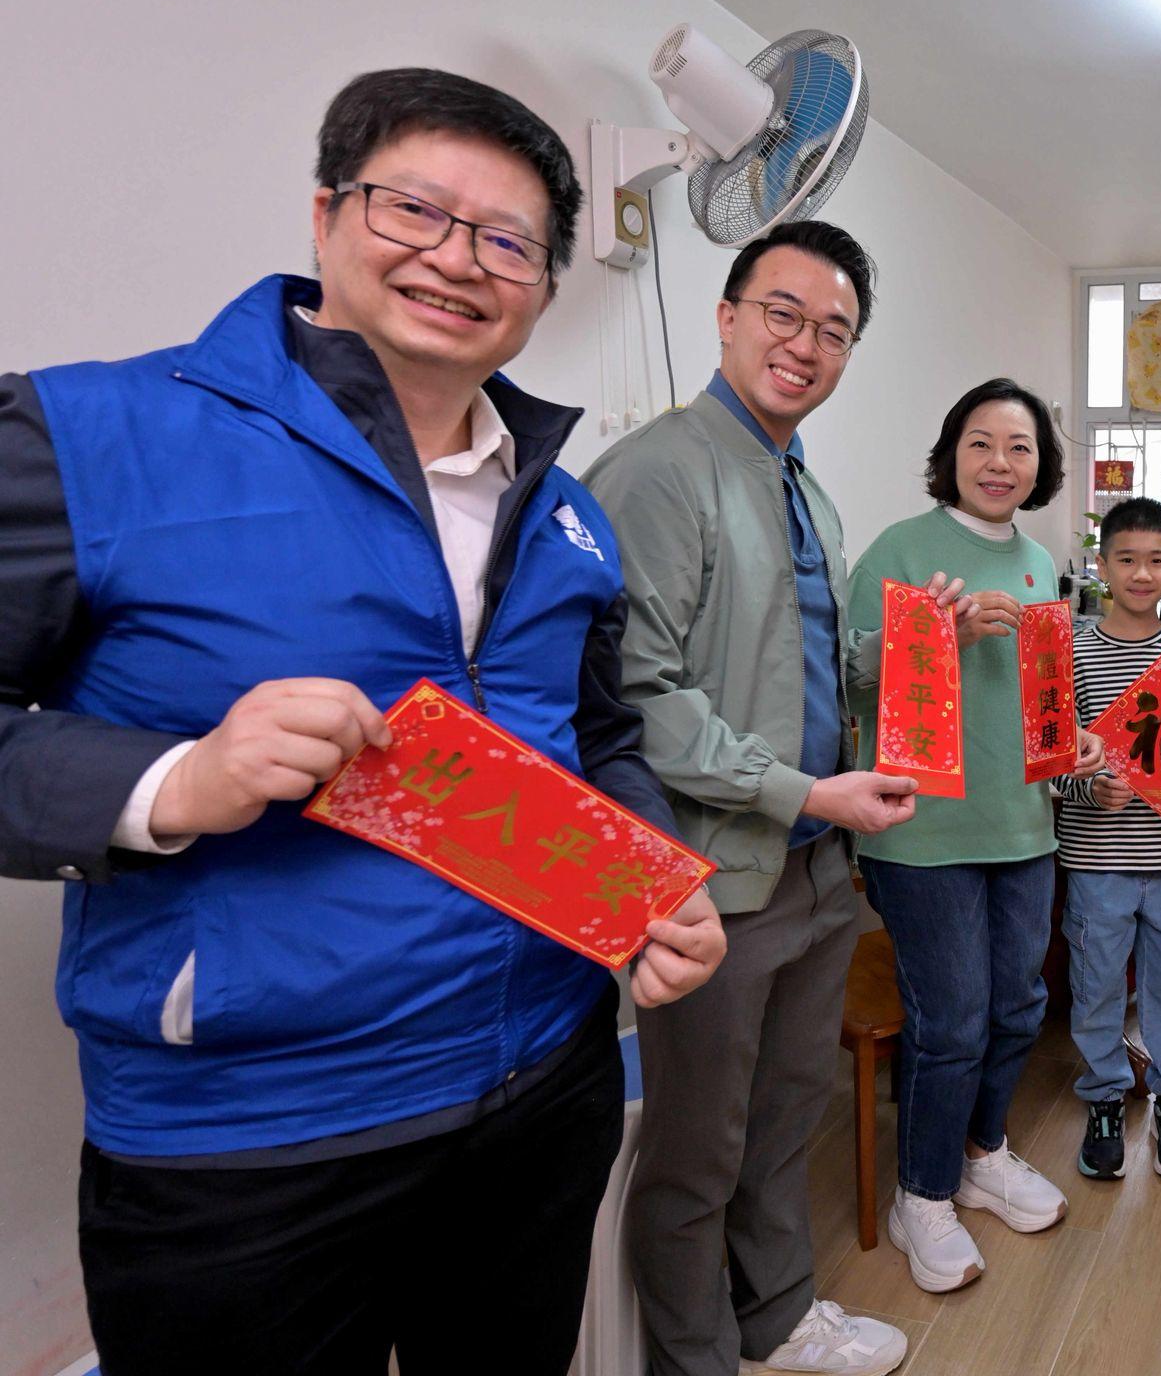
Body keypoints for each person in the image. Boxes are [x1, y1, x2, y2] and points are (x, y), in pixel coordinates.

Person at [0, 68, 725, 1376]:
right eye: (416, 212)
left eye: (507, 241)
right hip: (249, 1142)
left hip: (541, 1089)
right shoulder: (95, 435)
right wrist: (171, 780)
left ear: (545, 289)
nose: (459, 260)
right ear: (326, 213)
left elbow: (600, 739)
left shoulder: (567, 515)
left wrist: (649, 890)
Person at [583, 221, 920, 1376]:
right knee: (696, 1148)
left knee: (783, 1123)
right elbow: (637, 692)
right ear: (725, 316)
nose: (806, 344)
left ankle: (776, 1317)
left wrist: (905, 657)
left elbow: (801, 666)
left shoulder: (805, 492)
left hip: (821, 865)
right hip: (713, 879)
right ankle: (696, 1356)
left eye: (834, 330)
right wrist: (797, 788)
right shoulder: (657, 469)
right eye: (783, 313)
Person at [847, 377, 1104, 1294]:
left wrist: (1072, 734)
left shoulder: (1041, 563)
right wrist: (935, 636)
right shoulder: (902, 548)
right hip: (923, 834)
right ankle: (920, 1195)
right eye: (983, 443)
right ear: (952, 452)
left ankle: (981, 1152)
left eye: (1021, 447)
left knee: (1019, 1007)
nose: (1001, 462)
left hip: (1023, 825)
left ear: (1041, 465)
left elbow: (1042, 695)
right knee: (950, 1019)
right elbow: (847, 681)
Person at [1052, 496, 1161, 1182]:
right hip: (1095, 859)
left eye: (1156, 561)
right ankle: (1104, 1097)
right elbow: (1052, 762)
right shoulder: (1074, 651)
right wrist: (1095, 787)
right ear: (1101, 564)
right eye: (1127, 560)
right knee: (1094, 985)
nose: (1142, 574)